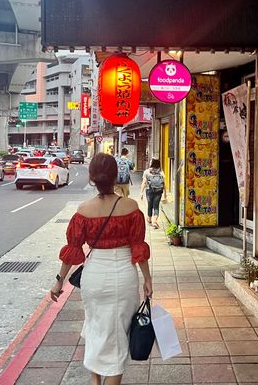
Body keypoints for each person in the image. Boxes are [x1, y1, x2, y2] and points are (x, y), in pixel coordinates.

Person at [50, 153, 152, 385]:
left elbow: (72, 250)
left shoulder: (83, 210)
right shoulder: (131, 207)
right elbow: (138, 247)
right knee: (118, 333)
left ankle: (96, 380)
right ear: (116, 175)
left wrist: (59, 281)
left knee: (95, 325)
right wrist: (148, 280)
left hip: (94, 276)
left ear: (91, 177)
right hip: (124, 275)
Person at [140, 158, 167, 228]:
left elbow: (144, 182)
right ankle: (155, 221)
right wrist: (165, 193)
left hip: (149, 190)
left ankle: (149, 220)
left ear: (152, 163)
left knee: (150, 205)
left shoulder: (147, 172)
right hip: (159, 191)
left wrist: (141, 192)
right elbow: (164, 183)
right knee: (156, 206)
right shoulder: (161, 172)